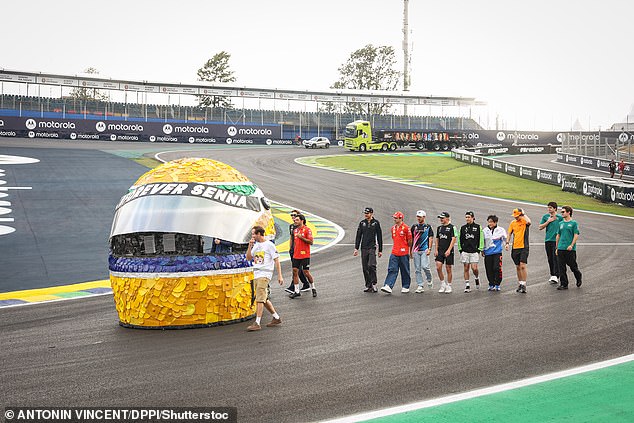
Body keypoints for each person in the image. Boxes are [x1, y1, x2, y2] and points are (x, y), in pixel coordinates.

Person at [246, 226, 284, 331]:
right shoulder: (256, 245)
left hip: (265, 274)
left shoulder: (269, 245)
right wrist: (249, 246)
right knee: (264, 298)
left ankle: (257, 323)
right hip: (256, 274)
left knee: (259, 298)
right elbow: (249, 258)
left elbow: (276, 260)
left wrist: (280, 275)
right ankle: (276, 317)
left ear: (259, 234)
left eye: (254, 234)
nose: (252, 236)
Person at [380, 211, 412, 294]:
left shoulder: (406, 228)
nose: (394, 219)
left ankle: (406, 286)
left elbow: (410, 240)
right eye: (394, 218)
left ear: (401, 218)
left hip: (404, 252)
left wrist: (408, 249)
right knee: (392, 269)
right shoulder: (393, 228)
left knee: (404, 270)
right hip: (394, 252)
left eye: (396, 218)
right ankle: (388, 285)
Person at [354, 207, 383, 293]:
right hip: (364, 247)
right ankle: (368, 285)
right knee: (365, 267)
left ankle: (374, 283)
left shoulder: (376, 223)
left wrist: (380, 250)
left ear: (371, 213)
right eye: (365, 213)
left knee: (371, 265)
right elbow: (358, 236)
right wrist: (356, 248)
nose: (366, 215)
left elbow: (380, 236)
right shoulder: (362, 223)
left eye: (367, 213)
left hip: (372, 247)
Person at [289, 214, 317, 298]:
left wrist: (301, 237)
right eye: (294, 220)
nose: (295, 221)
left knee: (306, 272)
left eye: (297, 220)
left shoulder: (307, 230)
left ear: (302, 221)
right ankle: (297, 291)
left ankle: (313, 288)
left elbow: (311, 242)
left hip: (305, 254)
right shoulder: (295, 230)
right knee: (294, 271)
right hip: (296, 254)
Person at [555, 205, 582, 290]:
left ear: (568, 212)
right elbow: (558, 235)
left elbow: (576, 234)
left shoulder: (574, 223)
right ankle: (564, 284)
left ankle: (578, 276)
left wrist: (572, 245)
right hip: (561, 248)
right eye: (561, 212)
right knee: (561, 267)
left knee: (573, 266)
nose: (561, 213)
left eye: (563, 212)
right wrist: (556, 247)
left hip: (570, 249)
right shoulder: (561, 223)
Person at [505, 208, 531, 294]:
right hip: (515, 247)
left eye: (517, 216)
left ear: (520, 215)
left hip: (524, 246)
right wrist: (507, 243)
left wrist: (524, 214)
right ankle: (520, 283)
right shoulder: (513, 223)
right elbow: (509, 233)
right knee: (518, 266)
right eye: (515, 216)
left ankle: (524, 284)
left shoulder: (524, 221)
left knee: (523, 265)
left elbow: (529, 222)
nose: (516, 217)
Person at [284, 210, 310, 294]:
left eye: (294, 215)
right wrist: (290, 248)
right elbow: (291, 237)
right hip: (293, 250)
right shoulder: (291, 226)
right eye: (291, 215)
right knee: (298, 268)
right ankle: (306, 284)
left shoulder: (302, 227)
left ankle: (293, 287)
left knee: (296, 269)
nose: (293, 217)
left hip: (301, 251)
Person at [457, 211, 483, 293]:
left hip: (474, 251)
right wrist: (460, 249)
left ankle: (476, 277)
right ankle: (467, 285)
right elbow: (459, 239)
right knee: (466, 268)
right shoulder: (463, 228)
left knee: (474, 268)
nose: (467, 219)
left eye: (469, 217)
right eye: (466, 217)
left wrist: (479, 249)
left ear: (473, 218)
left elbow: (481, 238)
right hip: (465, 251)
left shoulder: (478, 227)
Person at [538, 201, 563, 285]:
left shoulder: (560, 217)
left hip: (557, 240)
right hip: (548, 240)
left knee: (555, 257)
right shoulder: (545, 217)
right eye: (548, 207)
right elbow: (540, 227)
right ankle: (552, 274)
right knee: (550, 258)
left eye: (550, 207)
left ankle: (556, 275)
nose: (548, 209)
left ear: (555, 209)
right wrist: (548, 221)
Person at [410, 210, 434, 293]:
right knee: (417, 269)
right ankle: (420, 285)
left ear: (424, 217)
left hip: (424, 249)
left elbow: (431, 238)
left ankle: (429, 279)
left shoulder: (428, 227)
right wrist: (411, 251)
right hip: (416, 250)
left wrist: (429, 249)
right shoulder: (414, 227)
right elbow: (412, 239)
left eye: (420, 217)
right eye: (417, 216)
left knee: (425, 266)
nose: (418, 218)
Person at [482, 215, 507, 291]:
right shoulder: (484, 231)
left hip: (497, 252)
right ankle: (491, 283)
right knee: (489, 269)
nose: (490, 223)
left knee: (497, 268)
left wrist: (506, 244)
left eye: (491, 222)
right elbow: (482, 241)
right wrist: (482, 250)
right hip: (488, 253)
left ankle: (497, 283)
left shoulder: (501, 230)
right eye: (489, 222)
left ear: (495, 222)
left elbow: (505, 239)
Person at [435, 211, 458, 294]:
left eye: (442, 218)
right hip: (440, 250)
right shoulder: (439, 228)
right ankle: (442, 283)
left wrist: (449, 250)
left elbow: (453, 239)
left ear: (447, 218)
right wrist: (436, 249)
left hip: (448, 250)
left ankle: (449, 285)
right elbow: (437, 239)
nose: (441, 219)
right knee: (438, 267)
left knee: (448, 268)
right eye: (440, 218)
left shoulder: (452, 227)